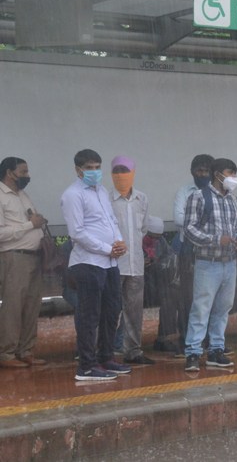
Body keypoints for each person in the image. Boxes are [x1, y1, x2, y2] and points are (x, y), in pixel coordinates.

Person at [61, 149, 132, 381]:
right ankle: (87, 366)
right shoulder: (73, 194)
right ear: (78, 170)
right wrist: (106, 249)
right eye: (89, 168)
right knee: (89, 315)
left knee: (112, 311)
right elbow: (77, 232)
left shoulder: (101, 191)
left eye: (97, 167)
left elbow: (111, 222)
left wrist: (120, 243)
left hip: (109, 263)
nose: (94, 172)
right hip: (88, 262)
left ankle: (106, 357)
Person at [183, 158, 237, 371]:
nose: (233, 179)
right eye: (230, 173)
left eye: (235, 174)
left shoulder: (233, 200)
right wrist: (216, 239)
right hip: (207, 263)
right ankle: (192, 352)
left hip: (229, 263)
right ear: (217, 174)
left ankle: (216, 350)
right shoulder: (199, 197)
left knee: (222, 308)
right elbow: (189, 229)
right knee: (201, 308)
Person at [0, 157, 47, 368]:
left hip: (33, 257)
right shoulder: (1, 196)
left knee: (31, 306)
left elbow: (32, 221)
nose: (28, 176)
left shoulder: (23, 195)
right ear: (10, 173)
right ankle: (7, 354)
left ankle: (26, 350)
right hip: (14, 257)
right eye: (24, 171)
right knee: (13, 306)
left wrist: (37, 222)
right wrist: (30, 225)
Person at [109, 155, 155, 365]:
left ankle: (133, 351)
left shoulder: (141, 199)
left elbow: (143, 229)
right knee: (109, 310)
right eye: (117, 170)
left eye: (125, 170)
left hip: (136, 264)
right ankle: (105, 351)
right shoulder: (105, 198)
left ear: (133, 173)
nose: (121, 175)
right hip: (112, 264)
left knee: (134, 311)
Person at [170, 154, 214, 356]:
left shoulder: (219, 192)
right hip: (188, 251)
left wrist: (196, 222)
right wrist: (206, 224)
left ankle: (212, 341)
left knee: (211, 297)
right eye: (199, 170)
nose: (202, 174)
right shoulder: (184, 191)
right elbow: (179, 219)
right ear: (192, 171)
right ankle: (187, 341)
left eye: (206, 170)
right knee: (188, 297)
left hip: (213, 251)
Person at [143, 216, 180, 352]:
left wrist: (159, 263)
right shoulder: (136, 241)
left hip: (155, 284)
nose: (155, 241)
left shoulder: (160, 241)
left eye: (158, 237)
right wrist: (141, 264)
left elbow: (169, 256)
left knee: (172, 295)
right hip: (139, 284)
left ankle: (165, 338)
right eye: (152, 237)